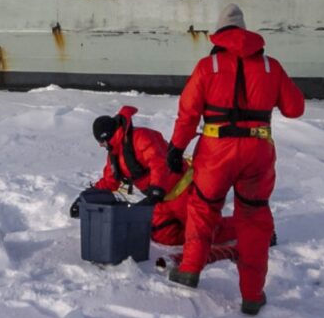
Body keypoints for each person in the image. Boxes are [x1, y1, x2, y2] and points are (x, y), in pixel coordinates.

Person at [167, 4, 306, 316]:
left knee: (203, 209)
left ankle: (189, 271)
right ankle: (253, 295)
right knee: (254, 220)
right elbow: (296, 108)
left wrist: (176, 148)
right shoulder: (271, 66)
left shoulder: (207, 66)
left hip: (216, 151)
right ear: (245, 31)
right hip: (257, 150)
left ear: (219, 33)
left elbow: (188, 114)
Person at [71, 105, 236, 250]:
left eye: (101, 142)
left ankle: (247, 228)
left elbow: (159, 162)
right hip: (159, 201)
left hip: (184, 192)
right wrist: (86, 197)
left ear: (107, 137)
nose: (101, 146)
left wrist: (156, 190)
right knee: (161, 234)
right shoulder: (115, 154)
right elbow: (109, 181)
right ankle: (193, 242)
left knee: (209, 230)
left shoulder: (141, 137)